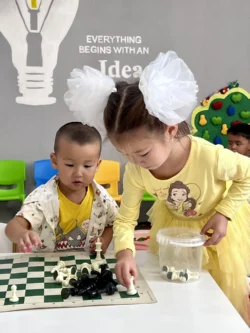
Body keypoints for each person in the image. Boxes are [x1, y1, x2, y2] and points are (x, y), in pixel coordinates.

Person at [64, 51, 250, 323]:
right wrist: (125, 253)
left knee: (218, 304)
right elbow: (126, 218)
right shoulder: (137, 169)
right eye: (123, 153)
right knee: (179, 301)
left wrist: (224, 213)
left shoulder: (211, 157)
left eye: (141, 153)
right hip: (175, 231)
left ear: (171, 130)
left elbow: (247, 175)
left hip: (217, 231)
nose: (133, 162)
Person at [5, 122, 118, 253]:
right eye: (70, 165)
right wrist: (21, 234)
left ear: (97, 165)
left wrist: (104, 240)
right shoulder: (41, 199)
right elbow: (12, 226)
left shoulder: (102, 198)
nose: (78, 173)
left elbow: (114, 222)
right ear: (54, 161)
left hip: (85, 267)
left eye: (87, 166)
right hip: (47, 266)